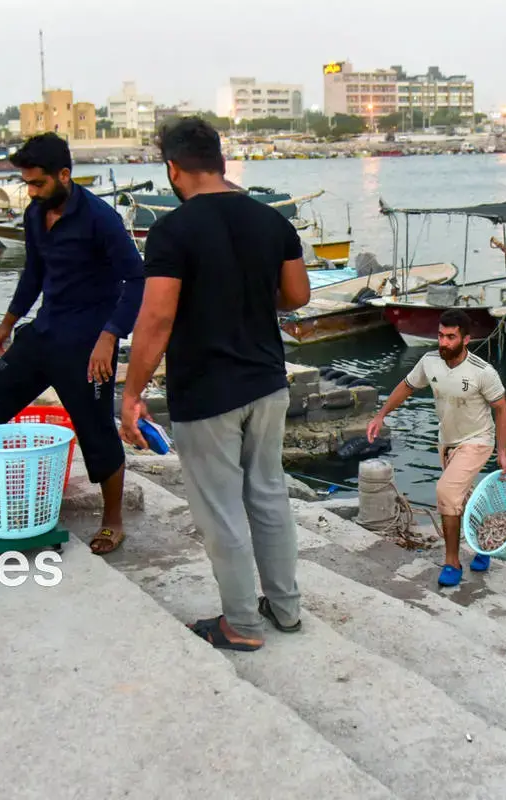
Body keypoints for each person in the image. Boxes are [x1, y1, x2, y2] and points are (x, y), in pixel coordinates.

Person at [119, 117, 311, 652]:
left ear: (173, 169)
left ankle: (242, 625)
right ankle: (286, 609)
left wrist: (131, 394)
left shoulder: (172, 231)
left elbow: (157, 318)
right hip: (267, 383)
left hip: (207, 391)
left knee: (221, 510)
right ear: (221, 163)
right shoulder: (272, 220)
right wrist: (248, 295)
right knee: (269, 497)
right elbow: (297, 296)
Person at [0, 132, 145, 555]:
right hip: (44, 333)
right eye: (26, 183)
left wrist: (110, 336)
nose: (30, 191)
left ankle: (113, 520)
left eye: (37, 183)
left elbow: (136, 279)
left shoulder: (100, 218)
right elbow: (33, 273)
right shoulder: (35, 214)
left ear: (64, 175)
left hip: (87, 346)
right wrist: (7, 323)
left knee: (95, 430)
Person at [367, 309, 506, 587]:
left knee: (446, 493)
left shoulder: (483, 372)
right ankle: (484, 544)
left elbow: (502, 410)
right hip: (447, 441)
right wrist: (380, 415)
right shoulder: (429, 361)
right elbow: (407, 387)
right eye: (440, 336)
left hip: (478, 439)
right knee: (462, 497)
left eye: (451, 337)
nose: (443, 342)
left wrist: (502, 452)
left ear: (466, 339)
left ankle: (452, 562)